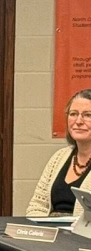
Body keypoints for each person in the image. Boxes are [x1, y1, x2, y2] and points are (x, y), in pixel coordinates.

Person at [26, 89, 91, 219]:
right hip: (51, 233)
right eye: (73, 114)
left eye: (88, 115)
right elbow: (37, 206)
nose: (78, 121)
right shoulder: (59, 157)